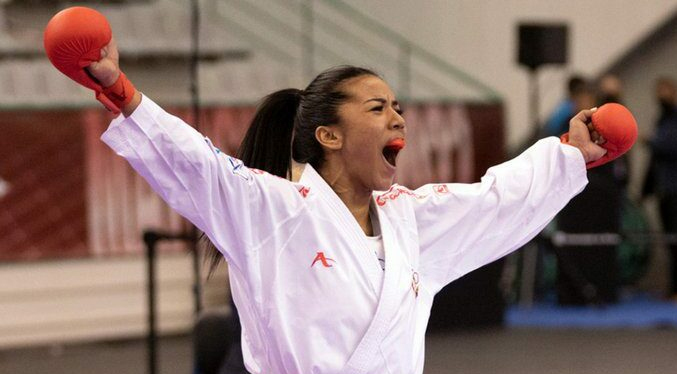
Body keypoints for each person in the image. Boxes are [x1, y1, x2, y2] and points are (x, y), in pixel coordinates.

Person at [76, 31, 607, 372]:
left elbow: (497, 199)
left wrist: (568, 156)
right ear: (328, 136)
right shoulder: (272, 211)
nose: (398, 119)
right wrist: (121, 91)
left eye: (398, 107)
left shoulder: (413, 220)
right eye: (377, 108)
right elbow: (199, 164)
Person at [643, 77, 677, 300]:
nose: (660, 95)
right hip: (664, 189)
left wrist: (650, 141)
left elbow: (669, 146)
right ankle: (672, 287)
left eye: (665, 91)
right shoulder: (661, 119)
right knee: (669, 242)